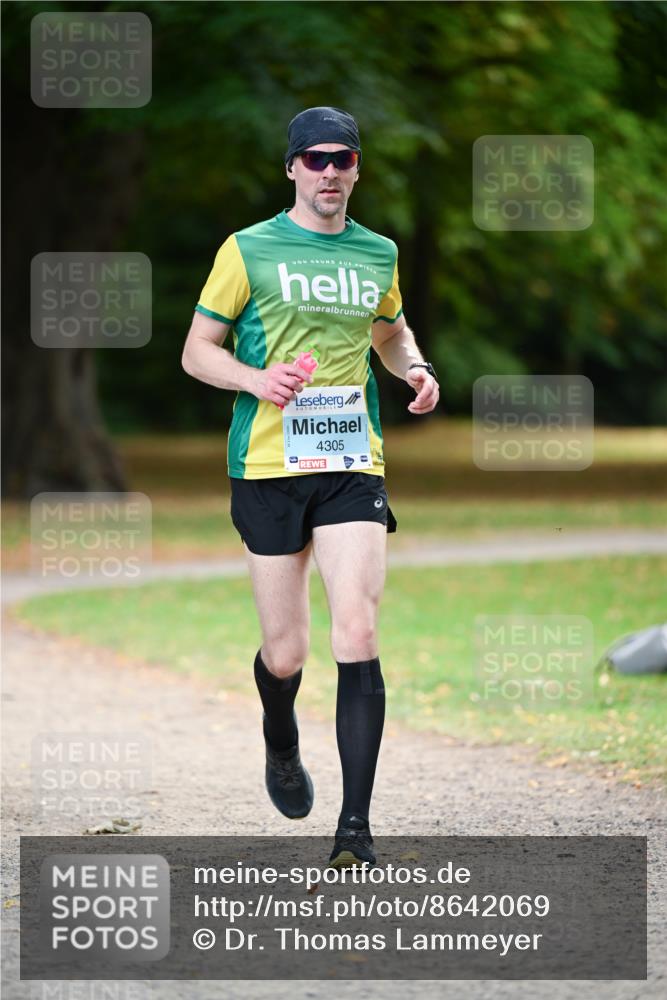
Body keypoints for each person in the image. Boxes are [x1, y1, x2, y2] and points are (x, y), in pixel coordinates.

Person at [182, 106, 439, 867]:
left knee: (356, 631)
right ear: (291, 167)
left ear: (356, 169)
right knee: (286, 653)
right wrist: (256, 380)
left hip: (351, 459)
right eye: (316, 159)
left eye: (344, 159)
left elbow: (390, 333)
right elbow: (198, 351)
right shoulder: (248, 248)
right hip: (266, 465)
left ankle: (353, 831)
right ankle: (280, 738)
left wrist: (415, 369)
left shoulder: (377, 252)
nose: (330, 171)